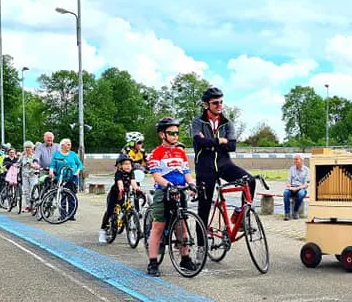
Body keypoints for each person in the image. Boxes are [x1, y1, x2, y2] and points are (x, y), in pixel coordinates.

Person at [192, 86, 255, 228]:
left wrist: (210, 142)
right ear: (207, 105)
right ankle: (202, 247)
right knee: (204, 209)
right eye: (215, 103)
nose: (219, 105)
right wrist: (220, 140)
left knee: (250, 181)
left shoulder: (227, 123)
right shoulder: (197, 121)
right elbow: (198, 142)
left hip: (225, 165)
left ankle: (241, 215)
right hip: (205, 169)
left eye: (221, 102)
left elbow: (232, 146)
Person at [146, 117, 197, 277]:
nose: (175, 136)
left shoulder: (181, 152)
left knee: (181, 226)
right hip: (164, 192)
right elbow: (156, 176)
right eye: (171, 133)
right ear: (162, 134)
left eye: (177, 133)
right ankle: (153, 262)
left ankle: (185, 258)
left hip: (179, 191)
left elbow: (186, 173)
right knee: (158, 227)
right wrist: (168, 185)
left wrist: (192, 184)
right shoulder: (155, 153)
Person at [99, 154, 142, 243]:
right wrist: (121, 190)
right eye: (125, 164)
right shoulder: (118, 174)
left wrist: (137, 190)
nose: (128, 166)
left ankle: (129, 230)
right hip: (115, 194)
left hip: (124, 194)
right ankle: (102, 231)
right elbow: (120, 183)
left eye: (129, 164)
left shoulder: (131, 173)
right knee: (110, 211)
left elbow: (133, 182)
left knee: (125, 210)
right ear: (120, 166)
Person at [283, 153, 309, 220]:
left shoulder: (307, 170)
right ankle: (287, 214)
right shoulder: (291, 169)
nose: (294, 161)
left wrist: (297, 188)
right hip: (292, 188)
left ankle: (295, 211)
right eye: (294, 159)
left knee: (301, 194)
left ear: (301, 160)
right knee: (285, 193)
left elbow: (306, 185)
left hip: (301, 188)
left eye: (296, 159)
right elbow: (288, 180)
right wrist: (289, 185)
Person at [20, 142, 39, 211]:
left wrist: (34, 165)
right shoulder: (23, 157)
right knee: (25, 191)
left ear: (32, 148)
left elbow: (36, 163)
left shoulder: (35, 156)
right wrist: (13, 165)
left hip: (33, 175)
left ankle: (35, 204)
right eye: (26, 147)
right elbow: (18, 163)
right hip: (24, 175)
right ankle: (28, 205)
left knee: (33, 189)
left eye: (29, 147)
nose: (27, 149)